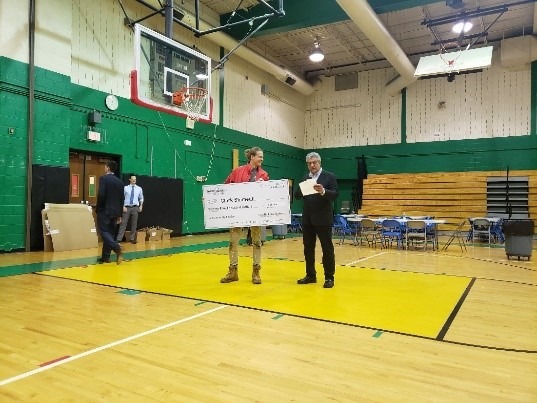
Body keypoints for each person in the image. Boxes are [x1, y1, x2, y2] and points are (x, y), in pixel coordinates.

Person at [220, 147, 269, 284]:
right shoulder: (237, 171)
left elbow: (267, 195)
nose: (262, 159)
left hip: (255, 213)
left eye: (262, 157)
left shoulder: (264, 175)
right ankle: (233, 271)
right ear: (252, 157)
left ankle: (256, 272)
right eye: (260, 156)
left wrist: (263, 186)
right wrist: (210, 198)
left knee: (257, 242)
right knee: (233, 242)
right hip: (238, 213)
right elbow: (225, 187)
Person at [294, 152, 338, 288]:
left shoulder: (329, 177)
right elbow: (296, 196)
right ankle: (310, 275)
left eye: (314, 162)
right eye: (309, 163)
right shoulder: (304, 178)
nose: (312, 165)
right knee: (308, 248)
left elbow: (335, 194)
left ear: (319, 163)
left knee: (327, 248)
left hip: (323, 219)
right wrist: (301, 189)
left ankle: (329, 277)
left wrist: (323, 191)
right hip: (307, 219)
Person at [96, 161, 124, 264]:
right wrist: (120, 214)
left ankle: (117, 248)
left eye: (105, 167)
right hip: (116, 212)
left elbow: (101, 195)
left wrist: (98, 208)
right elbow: (122, 199)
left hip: (105, 210)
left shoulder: (103, 179)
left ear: (107, 168)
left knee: (103, 232)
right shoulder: (120, 182)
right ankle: (105, 257)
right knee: (110, 234)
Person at [116, 174, 144, 244]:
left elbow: (141, 198)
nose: (134, 180)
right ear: (130, 180)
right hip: (127, 207)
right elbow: (121, 197)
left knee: (134, 223)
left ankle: (132, 239)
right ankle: (119, 239)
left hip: (135, 207)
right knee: (123, 223)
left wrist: (141, 206)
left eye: (135, 179)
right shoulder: (125, 188)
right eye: (133, 179)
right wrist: (123, 206)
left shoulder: (139, 188)